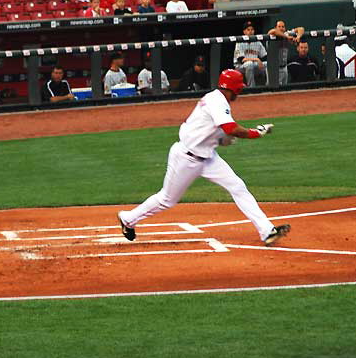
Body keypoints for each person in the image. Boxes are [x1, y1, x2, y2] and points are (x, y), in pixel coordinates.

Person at [117, 69, 291, 246]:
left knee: (237, 186)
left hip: (208, 158)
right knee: (167, 200)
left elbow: (216, 131)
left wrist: (223, 140)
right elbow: (232, 129)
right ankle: (128, 219)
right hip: (186, 157)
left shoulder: (218, 100)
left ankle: (266, 231)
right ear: (233, 88)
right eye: (239, 88)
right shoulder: (217, 101)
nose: (240, 92)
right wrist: (256, 133)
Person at [266, 19, 305, 86]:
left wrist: (298, 37)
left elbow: (301, 29)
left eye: (283, 26)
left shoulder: (287, 33)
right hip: (274, 68)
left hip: (284, 67)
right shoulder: (272, 35)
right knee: (273, 89)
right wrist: (287, 37)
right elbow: (273, 31)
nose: (281, 28)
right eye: (279, 26)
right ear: (275, 27)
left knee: (284, 90)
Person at [234, 20, 267, 87]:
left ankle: (269, 85)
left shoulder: (257, 42)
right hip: (240, 67)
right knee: (249, 64)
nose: (250, 31)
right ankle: (251, 87)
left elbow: (265, 57)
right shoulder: (240, 42)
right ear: (244, 32)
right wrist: (257, 59)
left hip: (254, 65)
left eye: (252, 29)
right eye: (248, 30)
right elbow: (241, 59)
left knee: (267, 64)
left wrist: (261, 62)